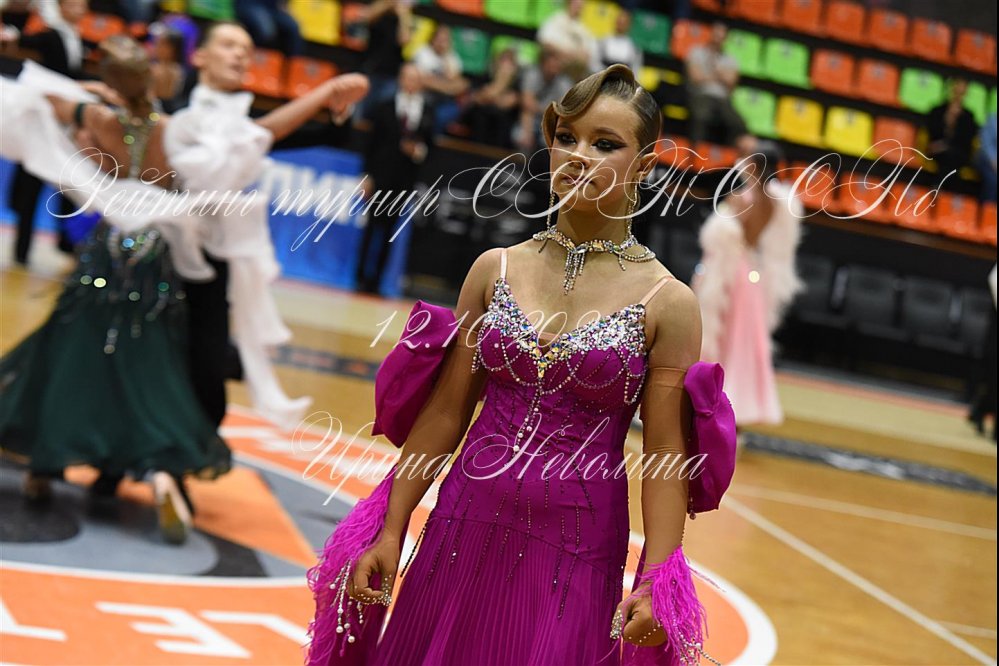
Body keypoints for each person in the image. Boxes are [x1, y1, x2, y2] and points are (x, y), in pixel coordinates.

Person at [309, 64, 711, 665]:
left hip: (577, 546)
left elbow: (664, 456)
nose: (578, 156)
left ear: (645, 164)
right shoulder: (493, 269)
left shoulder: (669, 302)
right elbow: (446, 412)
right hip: (461, 523)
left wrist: (657, 577)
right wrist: (391, 525)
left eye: (605, 144)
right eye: (566, 138)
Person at [0, 36, 231, 544]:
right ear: (149, 78)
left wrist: (89, 96)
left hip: (107, 250)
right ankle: (162, 475)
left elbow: (41, 101)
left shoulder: (100, 119)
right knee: (148, 360)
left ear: (111, 82)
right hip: (155, 256)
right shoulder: (171, 131)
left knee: (74, 350)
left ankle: (43, 466)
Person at [166, 21, 368, 434]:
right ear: (199, 55)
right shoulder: (175, 110)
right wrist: (323, 92)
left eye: (246, 48)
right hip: (162, 245)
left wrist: (337, 108)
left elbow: (314, 134)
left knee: (207, 356)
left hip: (215, 250)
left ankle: (192, 444)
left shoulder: (243, 121)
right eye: (229, 45)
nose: (241, 54)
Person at [692, 141, 804, 429]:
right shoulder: (775, 203)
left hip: (733, 273)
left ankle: (712, 406)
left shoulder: (743, 198)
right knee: (742, 345)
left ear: (754, 166)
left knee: (724, 340)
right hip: (752, 275)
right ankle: (734, 413)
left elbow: (726, 238)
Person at [0, 0, 91, 265]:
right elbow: (23, 41)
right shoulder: (51, 35)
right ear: (61, 7)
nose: (80, 9)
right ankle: (22, 248)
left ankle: (66, 241)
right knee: (31, 183)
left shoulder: (76, 37)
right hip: (42, 122)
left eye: (83, 5)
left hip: (64, 126)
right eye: (74, 5)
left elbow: (71, 75)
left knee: (67, 182)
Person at [355, 62, 435, 295]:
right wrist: (367, 176)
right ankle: (360, 276)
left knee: (391, 231)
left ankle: (378, 280)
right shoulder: (385, 106)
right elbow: (371, 144)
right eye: (407, 77)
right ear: (400, 79)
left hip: (405, 178)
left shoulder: (427, 111)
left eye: (415, 78)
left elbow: (430, 145)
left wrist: (417, 151)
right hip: (380, 175)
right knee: (371, 227)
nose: (411, 82)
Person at [685, 21, 753, 152]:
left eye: (721, 36)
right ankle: (695, 152)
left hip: (723, 100)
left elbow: (731, 83)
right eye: (716, 35)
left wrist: (708, 73)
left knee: (738, 123)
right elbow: (695, 78)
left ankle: (731, 156)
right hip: (701, 95)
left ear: (725, 39)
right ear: (710, 34)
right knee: (700, 117)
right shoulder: (696, 52)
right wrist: (721, 74)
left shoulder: (731, 59)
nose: (717, 39)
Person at [354, 0, 412, 121]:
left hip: (390, 74)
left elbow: (404, 39)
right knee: (359, 113)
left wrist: (403, 15)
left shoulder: (401, 17)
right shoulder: (379, 11)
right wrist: (386, 5)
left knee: (382, 116)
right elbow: (365, 18)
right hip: (371, 70)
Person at [411, 24, 468, 135]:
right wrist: (447, 87)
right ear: (433, 38)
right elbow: (423, 81)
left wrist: (446, 58)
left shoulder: (452, 57)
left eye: (445, 40)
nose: (442, 43)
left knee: (452, 111)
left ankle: (437, 139)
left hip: (443, 101)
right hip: (423, 98)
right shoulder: (422, 53)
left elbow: (459, 84)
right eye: (440, 39)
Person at [459, 46, 520, 148]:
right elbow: (477, 98)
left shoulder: (516, 84)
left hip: (502, 123)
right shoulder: (486, 77)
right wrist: (499, 84)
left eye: (509, 62)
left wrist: (497, 86)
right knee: (479, 115)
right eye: (502, 60)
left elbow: (505, 104)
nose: (504, 65)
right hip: (479, 120)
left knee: (501, 120)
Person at [926, 78, 978, 181]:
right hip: (937, 152)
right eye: (956, 89)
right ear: (951, 89)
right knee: (945, 159)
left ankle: (939, 187)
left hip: (958, 154)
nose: (958, 94)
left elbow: (966, 141)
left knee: (952, 158)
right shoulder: (937, 111)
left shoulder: (968, 116)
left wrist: (954, 124)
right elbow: (931, 134)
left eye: (962, 91)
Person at [536, 0, 597, 81]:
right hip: (555, 65)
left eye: (581, 5)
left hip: (575, 69)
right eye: (576, 4)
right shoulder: (556, 20)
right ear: (568, 3)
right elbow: (545, 42)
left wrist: (575, 56)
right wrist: (565, 53)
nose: (579, 7)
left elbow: (588, 54)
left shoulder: (583, 29)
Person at [235, 0, 303, 56]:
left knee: (293, 28)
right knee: (266, 30)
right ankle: (258, 60)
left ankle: (292, 66)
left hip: (273, 8)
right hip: (250, 4)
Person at [595, 9, 643, 74]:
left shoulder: (634, 47)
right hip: (604, 75)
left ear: (629, 25)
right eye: (619, 22)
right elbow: (596, 63)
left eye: (624, 23)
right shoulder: (604, 41)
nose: (621, 25)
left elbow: (635, 70)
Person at [976, 111, 997, 203]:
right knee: (993, 180)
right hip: (986, 160)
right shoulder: (992, 120)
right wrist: (994, 161)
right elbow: (986, 144)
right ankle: (987, 208)